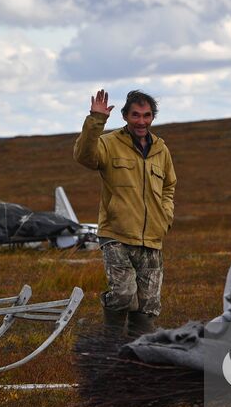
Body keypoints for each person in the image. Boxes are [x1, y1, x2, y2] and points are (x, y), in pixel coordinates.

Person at [73, 88, 176, 337]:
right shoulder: (109, 143)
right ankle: (110, 343)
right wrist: (96, 119)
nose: (141, 121)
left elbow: (169, 187)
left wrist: (165, 217)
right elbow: (84, 157)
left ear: (153, 117)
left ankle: (137, 357)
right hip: (116, 234)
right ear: (125, 116)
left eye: (147, 115)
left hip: (152, 236)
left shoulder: (161, 149)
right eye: (136, 115)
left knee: (148, 305)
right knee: (122, 294)